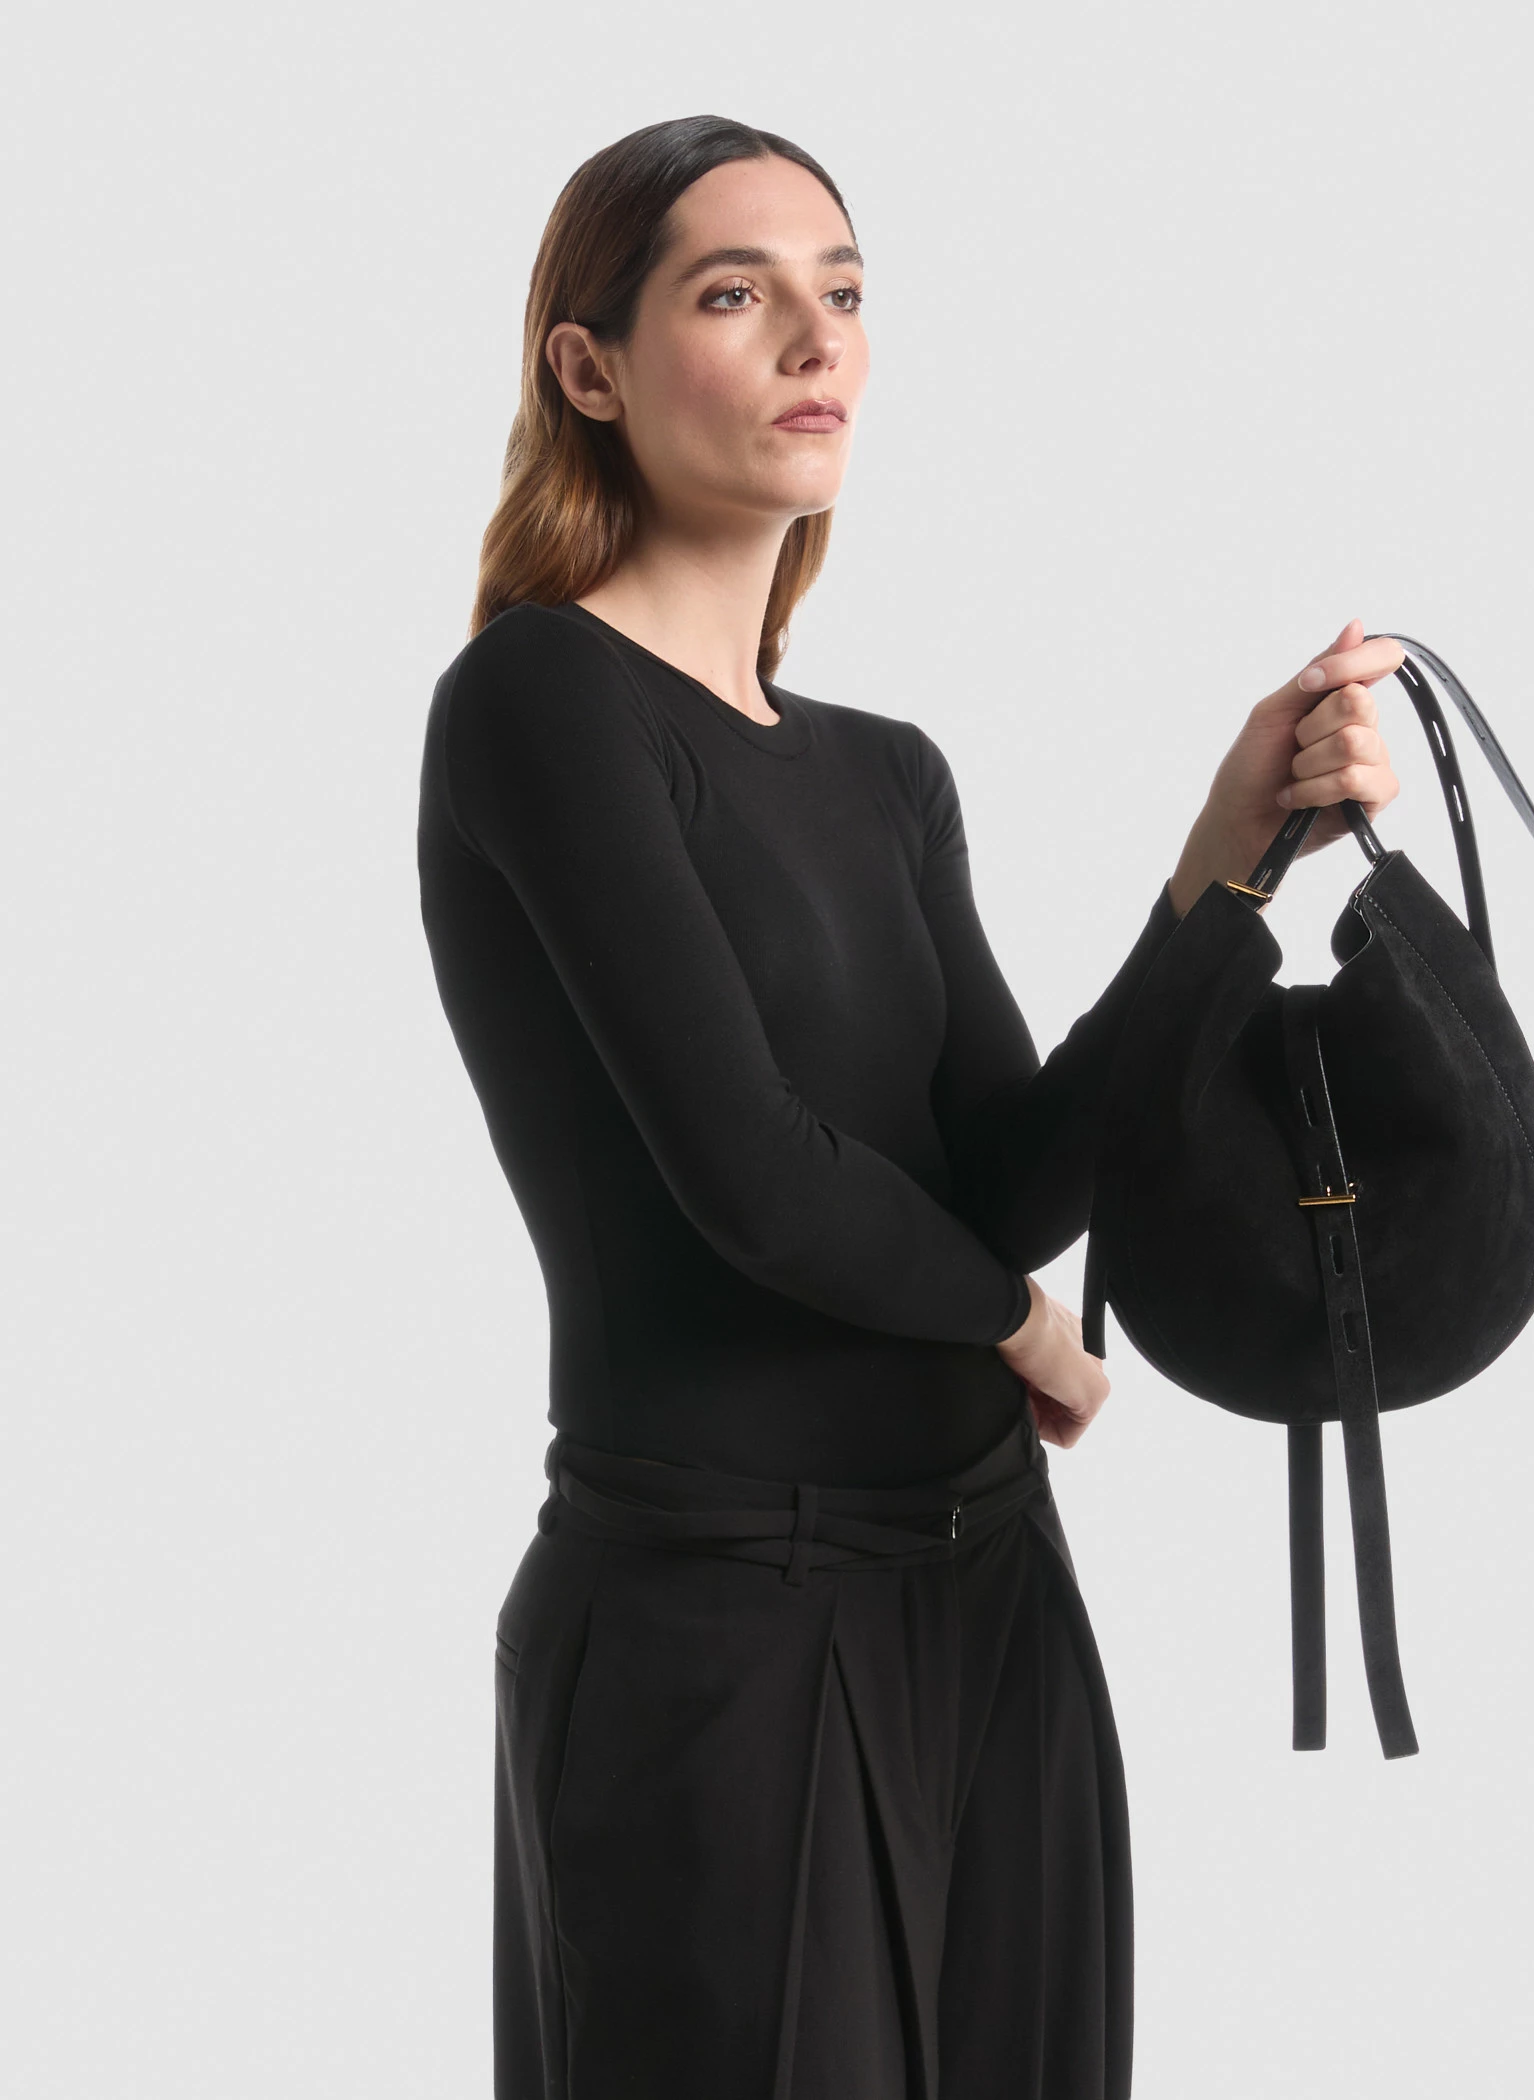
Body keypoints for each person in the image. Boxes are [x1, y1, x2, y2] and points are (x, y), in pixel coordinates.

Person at [416, 113, 1403, 2100]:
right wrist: (1013, 1326)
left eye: (845, 293)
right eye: (736, 293)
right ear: (588, 368)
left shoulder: (888, 771)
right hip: (720, 1614)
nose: (817, 340)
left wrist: (1226, 870)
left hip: (993, 1595)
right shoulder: (540, 702)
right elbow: (756, 1176)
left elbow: (1008, 1172)